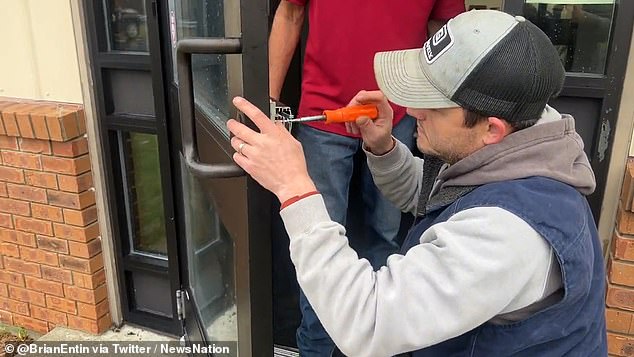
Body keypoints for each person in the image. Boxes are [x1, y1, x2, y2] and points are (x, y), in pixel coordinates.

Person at [232, 10, 607, 356]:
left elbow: (368, 321)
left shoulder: (509, 233)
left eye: (432, 102)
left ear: (491, 128)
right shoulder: (521, 136)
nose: (411, 111)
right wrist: (384, 148)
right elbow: (434, 197)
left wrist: (294, 187)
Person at [269, 1, 465, 354]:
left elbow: (448, 33)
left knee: (386, 238)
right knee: (314, 240)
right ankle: (315, 349)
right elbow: (289, 13)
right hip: (322, 112)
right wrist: (269, 99)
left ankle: (374, 345)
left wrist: (440, 105)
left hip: (399, 112)